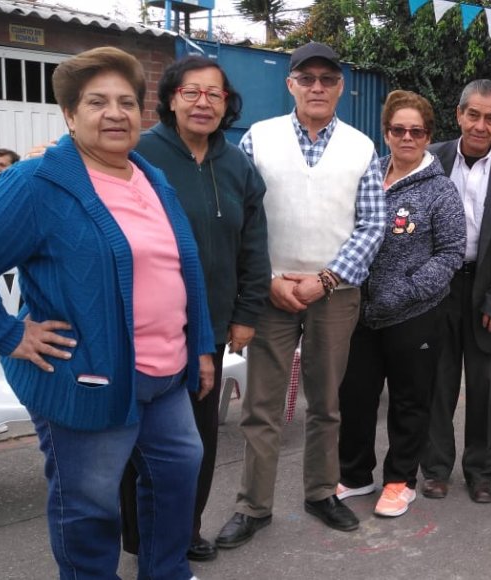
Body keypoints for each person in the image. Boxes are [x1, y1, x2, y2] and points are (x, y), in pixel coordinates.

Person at [0, 46, 214, 580]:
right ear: (70, 114)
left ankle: (166, 572)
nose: (115, 113)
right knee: (90, 507)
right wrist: (7, 333)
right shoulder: (38, 182)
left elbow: (181, 269)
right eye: (97, 102)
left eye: (126, 102)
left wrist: (201, 346)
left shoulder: (148, 176)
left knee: (178, 475)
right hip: (85, 376)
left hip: (165, 374)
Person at [215, 41, 385, 548]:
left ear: (341, 87)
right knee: (263, 406)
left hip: (334, 291)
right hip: (270, 290)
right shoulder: (258, 139)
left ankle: (319, 493)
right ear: (289, 84)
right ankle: (253, 506)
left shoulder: (361, 146)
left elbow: (372, 224)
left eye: (327, 79)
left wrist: (326, 279)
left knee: (327, 402)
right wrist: (266, 278)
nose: (316, 87)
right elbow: (242, 218)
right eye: (306, 78)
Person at [119, 55, 270, 563]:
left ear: (227, 104)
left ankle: (185, 529)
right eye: (192, 92)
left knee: (197, 440)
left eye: (215, 94)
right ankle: (138, 535)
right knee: (140, 440)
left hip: (212, 327)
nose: (203, 102)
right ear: (170, 98)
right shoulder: (140, 154)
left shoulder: (238, 164)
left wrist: (247, 313)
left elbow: (254, 244)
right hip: (146, 324)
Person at [337, 90, 465, 517]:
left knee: (409, 401)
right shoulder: (366, 176)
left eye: (417, 130)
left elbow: (450, 254)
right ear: (386, 131)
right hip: (360, 312)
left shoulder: (441, 191)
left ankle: (399, 480)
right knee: (355, 396)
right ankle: (356, 475)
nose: (407, 137)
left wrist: (403, 290)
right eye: (398, 129)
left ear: (428, 135)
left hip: (414, 313)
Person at [421, 79, 491, 504]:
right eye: (473, 115)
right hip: (439, 287)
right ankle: (434, 469)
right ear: (459, 114)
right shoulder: (431, 158)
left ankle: (481, 472)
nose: (480, 125)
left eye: (490, 118)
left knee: (486, 387)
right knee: (438, 382)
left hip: (489, 290)